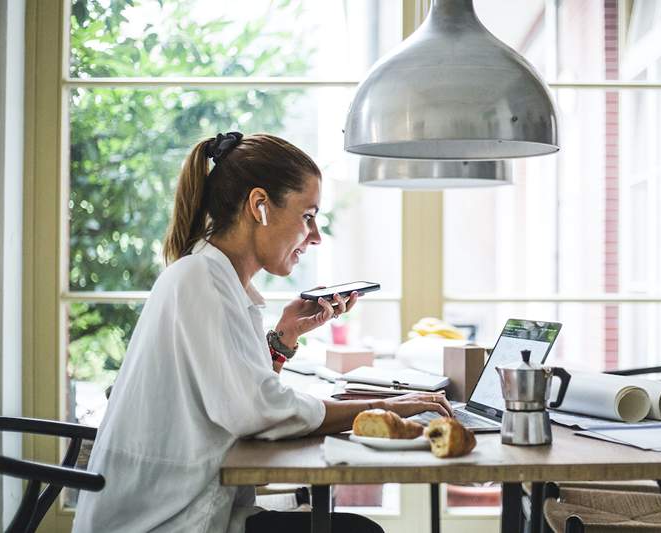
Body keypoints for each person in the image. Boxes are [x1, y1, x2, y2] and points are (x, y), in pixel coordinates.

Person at [73, 132, 453, 533]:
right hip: (170, 522)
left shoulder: (214, 277)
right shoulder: (201, 280)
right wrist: (385, 409)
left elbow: (242, 399)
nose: (316, 236)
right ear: (260, 206)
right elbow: (256, 412)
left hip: (197, 510)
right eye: (308, 216)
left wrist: (284, 336)